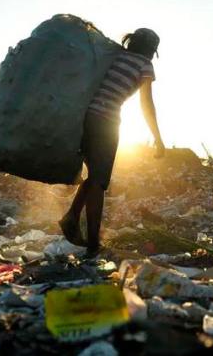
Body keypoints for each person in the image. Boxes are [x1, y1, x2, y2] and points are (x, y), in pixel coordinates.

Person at [59, 28, 165, 255]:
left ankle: (72, 217)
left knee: (95, 174)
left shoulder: (115, 55)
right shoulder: (145, 66)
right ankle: (93, 242)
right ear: (151, 51)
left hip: (83, 117)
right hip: (106, 121)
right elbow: (146, 103)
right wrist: (157, 137)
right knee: (99, 182)